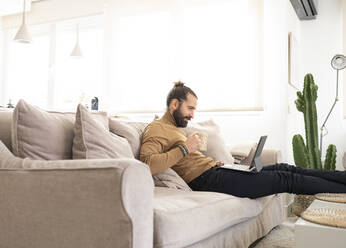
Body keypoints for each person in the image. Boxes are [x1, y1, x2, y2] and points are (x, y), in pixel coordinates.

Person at [139, 81, 346, 198]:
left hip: (214, 171)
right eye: (190, 108)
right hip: (207, 181)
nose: (193, 114)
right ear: (174, 104)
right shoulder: (156, 129)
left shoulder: (174, 128)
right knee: (286, 179)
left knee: (285, 167)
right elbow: (147, 164)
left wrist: (213, 162)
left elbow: (184, 160)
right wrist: (185, 149)